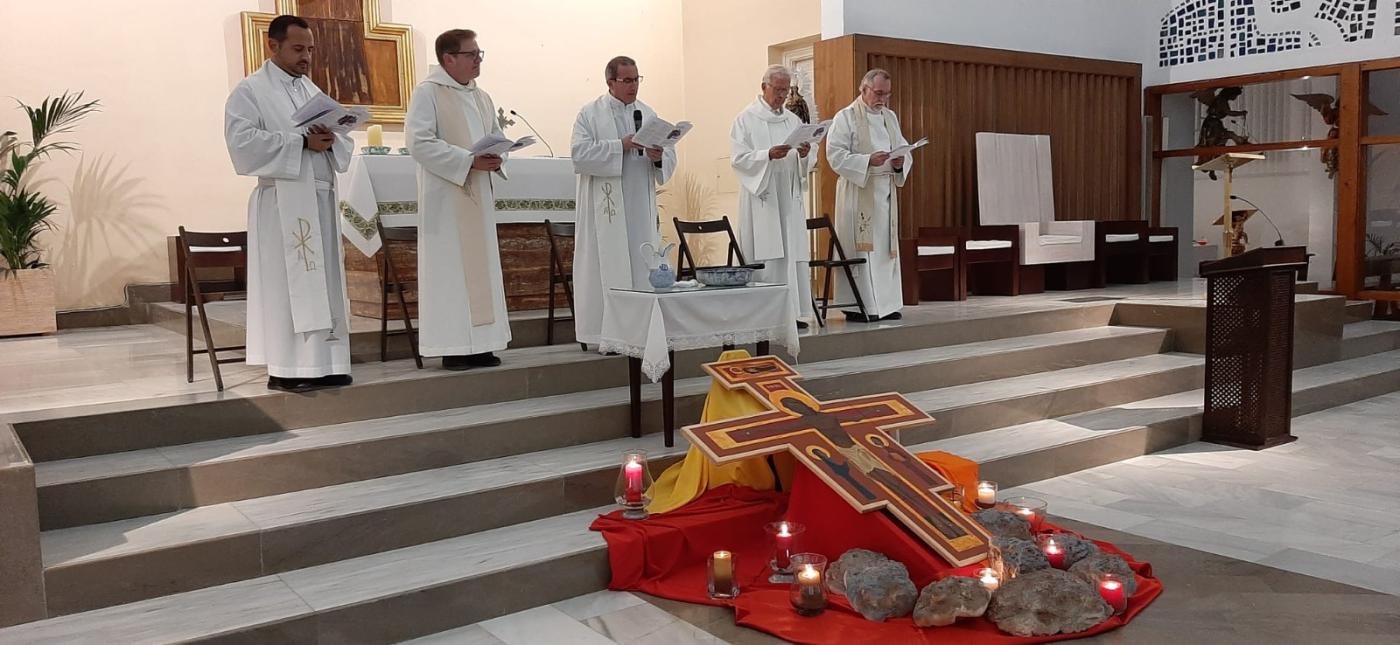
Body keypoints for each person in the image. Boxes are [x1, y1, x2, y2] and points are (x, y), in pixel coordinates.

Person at [224, 14, 352, 391]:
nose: (306, 57)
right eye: (298, 49)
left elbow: (342, 141)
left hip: (320, 199)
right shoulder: (250, 91)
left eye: (310, 49)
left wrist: (333, 136)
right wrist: (300, 142)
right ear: (272, 45)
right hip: (282, 203)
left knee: (324, 279)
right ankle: (288, 368)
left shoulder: (312, 90)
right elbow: (242, 145)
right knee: (287, 285)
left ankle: (328, 363)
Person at [405, 29, 511, 370]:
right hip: (447, 201)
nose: (478, 59)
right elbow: (419, 142)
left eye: (480, 53)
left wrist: (497, 157)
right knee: (451, 272)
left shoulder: (482, 97)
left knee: (482, 270)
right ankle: (454, 347)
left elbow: (495, 136)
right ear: (448, 58)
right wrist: (467, 161)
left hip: (477, 196)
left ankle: (482, 344)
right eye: (471, 54)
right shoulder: (428, 93)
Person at [570, 56, 677, 349]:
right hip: (606, 210)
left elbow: (668, 157)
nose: (633, 86)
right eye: (627, 80)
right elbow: (579, 155)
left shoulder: (649, 113)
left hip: (639, 207)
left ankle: (640, 332)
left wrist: (659, 157)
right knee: (607, 263)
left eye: (637, 79)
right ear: (611, 83)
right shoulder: (590, 114)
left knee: (640, 263)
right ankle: (604, 334)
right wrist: (622, 145)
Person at [731, 65, 817, 329]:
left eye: (785, 90)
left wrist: (804, 154)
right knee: (768, 254)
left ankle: (792, 312)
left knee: (791, 251)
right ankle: (763, 313)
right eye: (777, 89)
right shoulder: (746, 119)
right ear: (763, 87)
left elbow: (809, 159)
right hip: (764, 198)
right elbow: (738, 159)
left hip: (789, 198)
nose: (781, 96)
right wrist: (767, 155)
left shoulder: (792, 120)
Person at [825, 68, 914, 322]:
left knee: (885, 250)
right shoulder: (846, 117)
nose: (882, 99)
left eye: (887, 94)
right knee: (863, 250)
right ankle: (860, 305)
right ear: (863, 89)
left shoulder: (890, 117)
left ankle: (886, 304)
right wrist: (866, 161)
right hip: (859, 192)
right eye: (878, 93)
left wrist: (899, 162)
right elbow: (835, 155)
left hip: (884, 192)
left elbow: (903, 148)